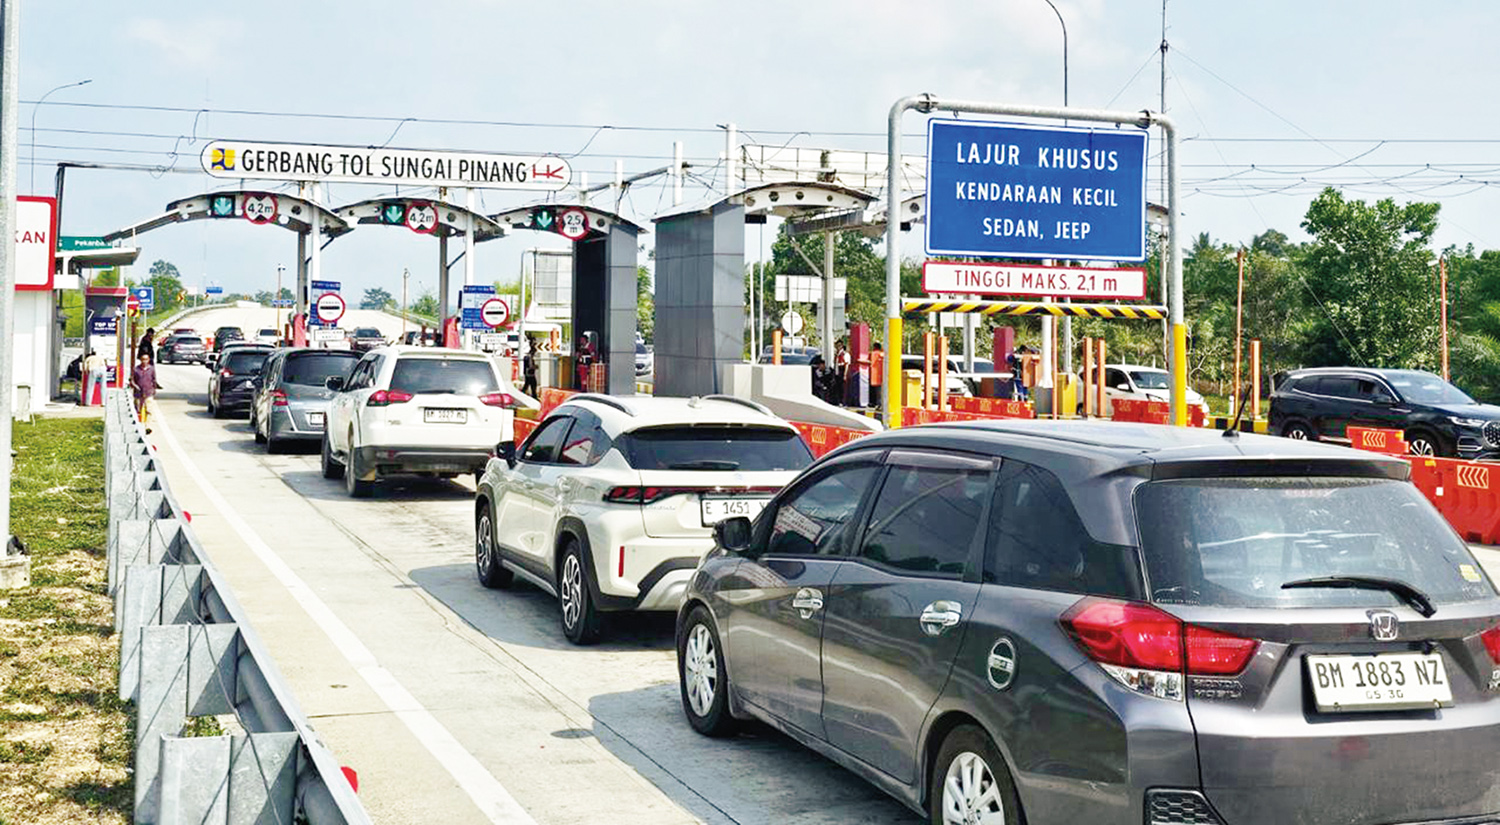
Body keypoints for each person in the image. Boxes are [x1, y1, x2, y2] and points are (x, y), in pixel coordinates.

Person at [130, 352, 159, 432]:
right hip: (138, 393)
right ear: (140, 360)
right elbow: (132, 380)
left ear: (148, 360)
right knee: (137, 410)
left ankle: (147, 427)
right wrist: (136, 387)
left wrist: (153, 389)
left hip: (148, 392)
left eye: (146, 359)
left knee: (149, 410)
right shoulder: (136, 369)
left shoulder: (151, 369)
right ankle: (138, 425)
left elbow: (154, 380)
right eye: (143, 359)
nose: (144, 361)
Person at [870, 342, 885, 409]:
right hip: (882, 376)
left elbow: (870, 362)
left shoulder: (874, 354)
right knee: (880, 392)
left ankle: (878, 404)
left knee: (877, 392)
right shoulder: (882, 354)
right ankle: (880, 404)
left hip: (875, 376)